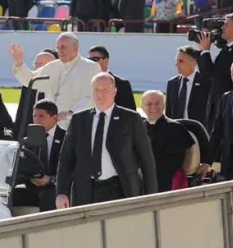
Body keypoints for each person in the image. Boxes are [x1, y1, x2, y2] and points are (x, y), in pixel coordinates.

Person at [56, 73, 157, 208]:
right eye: (96, 90)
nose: (100, 94)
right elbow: (66, 159)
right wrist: (62, 192)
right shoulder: (79, 120)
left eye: (105, 90)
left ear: (114, 91)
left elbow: (147, 160)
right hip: (86, 191)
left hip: (120, 190)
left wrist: (151, 196)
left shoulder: (130, 119)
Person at [10, 33, 101, 129]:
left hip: (77, 124)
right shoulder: (53, 66)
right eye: (58, 47)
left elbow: (90, 98)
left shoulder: (90, 67)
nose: (60, 51)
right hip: (52, 126)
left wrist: (70, 113)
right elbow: (31, 81)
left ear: (75, 48)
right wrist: (19, 63)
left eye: (63, 47)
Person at [198, 13, 233, 129]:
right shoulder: (228, 48)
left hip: (227, 109)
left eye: (226, 25)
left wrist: (205, 51)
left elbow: (211, 74)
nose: (222, 28)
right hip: (218, 105)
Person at [12, 99, 66, 212]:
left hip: (56, 186)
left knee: (48, 196)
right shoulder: (29, 138)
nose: (36, 120)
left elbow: (70, 168)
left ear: (55, 118)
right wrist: (30, 178)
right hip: (33, 185)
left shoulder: (66, 138)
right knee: (9, 194)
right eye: (34, 116)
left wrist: (50, 179)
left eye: (41, 116)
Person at [141, 90, 195, 192]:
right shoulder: (138, 128)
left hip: (165, 182)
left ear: (164, 105)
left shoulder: (175, 128)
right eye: (149, 104)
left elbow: (173, 163)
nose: (153, 107)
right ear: (142, 107)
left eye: (157, 103)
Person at [14, 49, 58, 134]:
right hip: (29, 134)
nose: (36, 68)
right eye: (35, 64)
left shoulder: (61, 85)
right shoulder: (29, 84)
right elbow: (21, 112)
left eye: (41, 64)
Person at [165, 46, 211, 125]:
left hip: (198, 131)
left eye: (181, 61)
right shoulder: (172, 83)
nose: (176, 64)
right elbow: (168, 112)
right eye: (176, 61)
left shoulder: (206, 83)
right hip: (177, 131)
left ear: (193, 62)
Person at [87, 45, 136, 110]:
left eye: (95, 59)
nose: (91, 63)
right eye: (89, 60)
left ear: (106, 60)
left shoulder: (122, 84)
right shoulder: (84, 81)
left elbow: (130, 112)